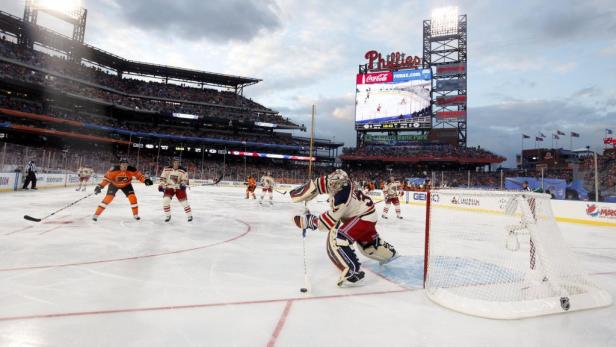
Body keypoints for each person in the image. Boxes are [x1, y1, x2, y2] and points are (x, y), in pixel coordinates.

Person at [290, 169, 398, 287]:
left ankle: (353, 271)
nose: (332, 186)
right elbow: (316, 184)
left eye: (335, 185)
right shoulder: (338, 182)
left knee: (339, 238)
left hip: (363, 216)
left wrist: (307, 221)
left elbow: (326, 223)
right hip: (365, 212)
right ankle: (390, 254)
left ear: (342, 184)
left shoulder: (342, 197)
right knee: (368, 246)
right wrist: (300, 194)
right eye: (332, 183)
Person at [158, 157, 192, 222]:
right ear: (172, 162)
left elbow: (185, 180)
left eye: (178, 162)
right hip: (169, 187)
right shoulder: (166, 169)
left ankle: (189, 215)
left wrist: (183, 184)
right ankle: (168, 215)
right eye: (175, 162)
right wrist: (162, 185)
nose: (176, 163)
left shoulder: (183, 170)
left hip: (179, 188)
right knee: (165, 201)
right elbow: (162, 179)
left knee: (184, 203)